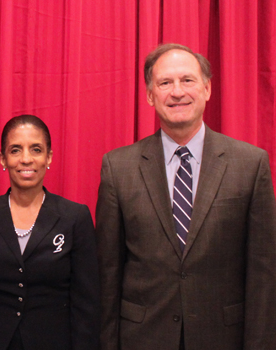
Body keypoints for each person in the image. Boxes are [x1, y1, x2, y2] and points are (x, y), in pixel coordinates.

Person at [96, 43, 276, 350]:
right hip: (143, 339)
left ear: (207, 89)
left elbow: (263, 272)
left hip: (223, 338)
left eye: (187, 80)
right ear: (150, 95)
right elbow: (108, 272)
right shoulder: (118, 167)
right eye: (165, 83)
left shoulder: (250, 163)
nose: (177, 92)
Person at [0, 115, 100, 350]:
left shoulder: (75, 218)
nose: (26, 159)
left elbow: (86, 303)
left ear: (49, 157)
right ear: (3, 159)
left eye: (36, 149)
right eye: (15, 150)